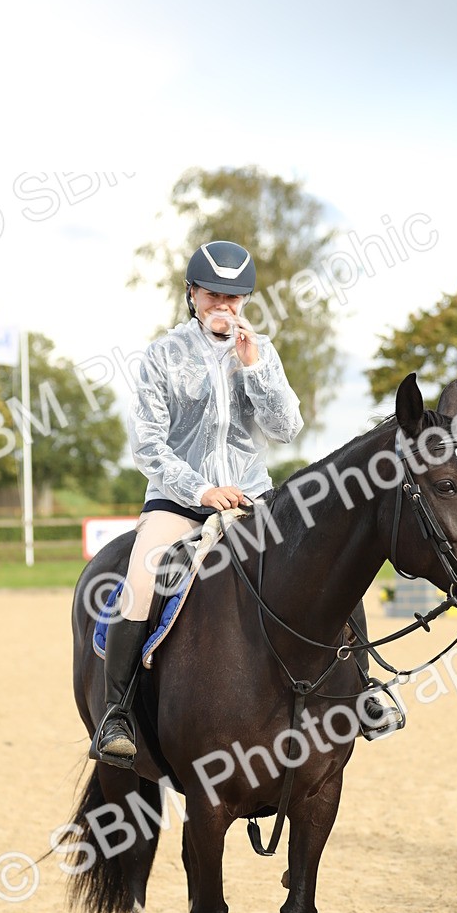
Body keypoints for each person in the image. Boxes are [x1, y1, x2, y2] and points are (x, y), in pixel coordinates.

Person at [91, 240, 303, 767]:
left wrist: (255, 369)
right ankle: (116, 712)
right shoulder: (163, 355)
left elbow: (286, 428)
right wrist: (202, 491)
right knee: (142, 577)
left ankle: (361, 686)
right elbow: (147, 445)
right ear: (191, 294)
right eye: (213, 295)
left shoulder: (261, 350)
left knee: (315, 560)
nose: (224, 307)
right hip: (178, 503)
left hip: (251, 497)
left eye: (235, 298)